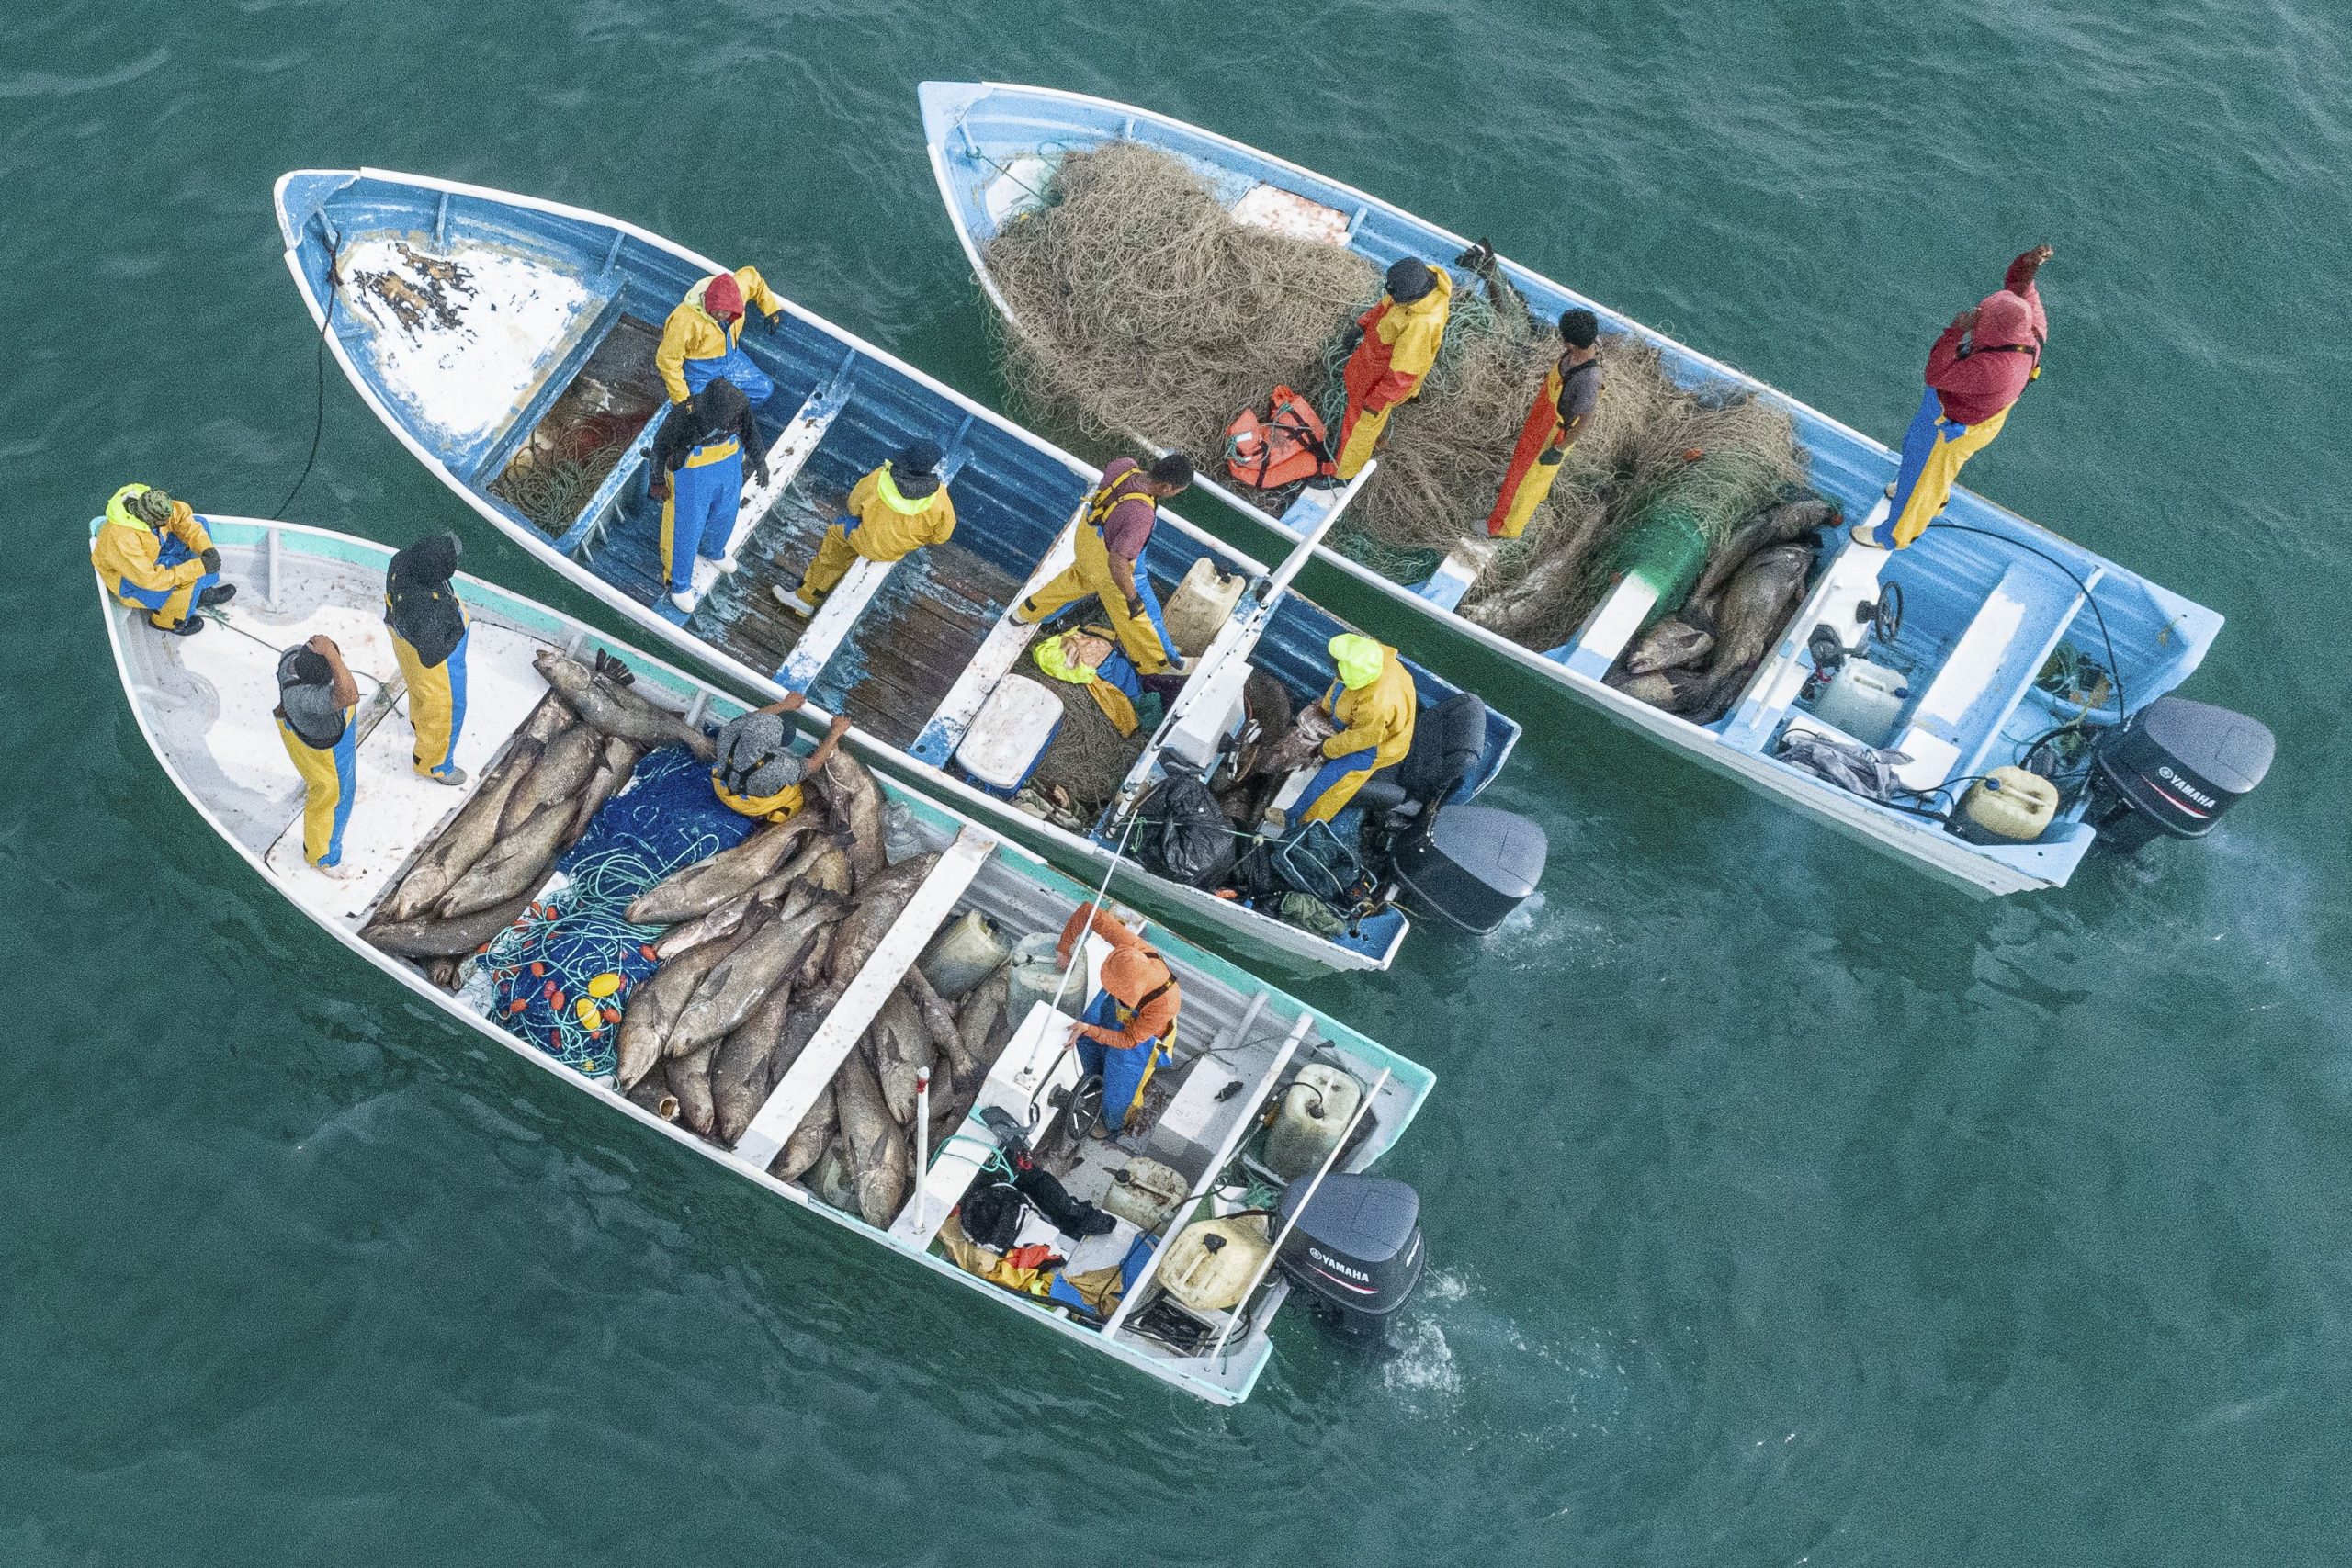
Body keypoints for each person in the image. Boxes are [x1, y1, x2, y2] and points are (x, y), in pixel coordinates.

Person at [1859, 245, 2053, 549]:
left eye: (1982, 318)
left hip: (1952, 426)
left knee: (1922, 476)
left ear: (1993, 328)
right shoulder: (2032, 325)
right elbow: (2020, 286)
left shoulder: (1995, 370)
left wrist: (1955, 331)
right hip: (1974, 412)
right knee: (1919, 464)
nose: (1977, 316)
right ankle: (1932, 498)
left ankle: (1894, 535)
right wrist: (2029, 264)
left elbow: (1936, 375)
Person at [1012, 453, 1191, 675]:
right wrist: (1133, 599)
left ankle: (1024, 613)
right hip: (1107, 567)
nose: (1174, 495)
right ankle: (1162, 664)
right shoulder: (1142, 515)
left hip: (1087, 543)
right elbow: (1117, 562)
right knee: (1143, 617)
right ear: (1165, 487)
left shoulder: (1124, 465)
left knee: (1074, 581)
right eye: (1176, 491)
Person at [774, 439, 957, 616]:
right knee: (862, 537)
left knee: (838, 534)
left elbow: (853, 504)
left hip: (869, 543)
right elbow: (941, 536)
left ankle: (806, 598)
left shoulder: (881, 476)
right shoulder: (940, 497)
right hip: (899, 549)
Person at [1055, 900, 1182, 1139]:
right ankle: (1089, 1081)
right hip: (1114, 1014)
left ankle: (1113, 1125)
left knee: (1119, 1095)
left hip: (1140, 1044)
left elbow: (1129, 1040)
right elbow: (1088, 911)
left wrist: (1088, 1029)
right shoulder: (1133, 949)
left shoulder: (1166, 1003)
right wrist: (1063, 948)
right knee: (1086, 1047)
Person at [646, 378, 771, 614]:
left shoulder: (739, 407)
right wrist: (657, 480)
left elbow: (751, 433)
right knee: (686, 527)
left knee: (726, 512)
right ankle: (678, 583)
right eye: (730, 417)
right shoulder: (684, 416)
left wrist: (761, 463)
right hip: (693, 471)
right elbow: (660, 446)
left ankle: (714, 550)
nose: (736, 419)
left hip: (728, 463)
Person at [1334, 255, 1454, 480]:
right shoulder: (1415, 283)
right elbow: (1384, 306)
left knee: (1359, 426)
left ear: (1411, 297)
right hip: (1368, 364)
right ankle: (1374, 433)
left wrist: (1376, 402)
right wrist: (1361, 325)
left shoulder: (1421, 324)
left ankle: (1344, 474)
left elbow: (1403, 375)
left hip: (1378, 380)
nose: (1391, 298)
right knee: (1365, 419)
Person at [1487, 309, 1604, 539]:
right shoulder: (1585, 344)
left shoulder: (1588, 379)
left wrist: (1558, 450)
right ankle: (1534, 491)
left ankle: (1503, 528)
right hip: (1540, 421)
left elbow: (1586, 419)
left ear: (1570, 343)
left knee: (1526, 480)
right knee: (1532, 475)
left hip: (1552, 435)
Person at [1291, 633, 1417, 826]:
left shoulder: (1378, 704)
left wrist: (1326, 749)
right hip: (1366, 725)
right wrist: (1324, 708)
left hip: (1380, 745)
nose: (1334, 669)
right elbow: (1341, 685)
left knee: (1330, 782)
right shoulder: (1370, 657)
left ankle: (1299, 820)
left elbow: (1363, 738)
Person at [384, 531, 469, 786]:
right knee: (446, 710)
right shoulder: (424, 609)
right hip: (437, 664)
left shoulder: (402, 560)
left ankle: (417, 723)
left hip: (403, 643)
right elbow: (433, 655)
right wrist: (457, 631)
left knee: (417, 690)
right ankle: (435, 765)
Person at [96, 483, 232, 637]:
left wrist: (206, 549)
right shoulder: (121, 539)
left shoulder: (149, 502)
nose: (167, 522)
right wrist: (199, 567)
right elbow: (150, 579)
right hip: (131, 580)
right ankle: (167, 622)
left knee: (200, 524)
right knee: (185, 580)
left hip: (152, 550)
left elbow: (180, 519)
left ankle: (200, 592)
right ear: (150, 520)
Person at [276, 636, 361, 875]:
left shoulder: (292, 657)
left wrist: (326, 652)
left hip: (303, 728)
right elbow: (349, 696)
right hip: (324, 753)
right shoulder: (307, 698)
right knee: (333, 795)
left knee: (332, 790)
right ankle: (322, 855)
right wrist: (334, 658)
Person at [707, 688, 852, 823]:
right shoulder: (777, 768)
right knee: (796, 796)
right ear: (774, 743)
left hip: (724, 790)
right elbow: (814, 764)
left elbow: (753, 717)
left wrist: (785, 705)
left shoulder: (728, 734)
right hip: (754, 806)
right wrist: (835, 732)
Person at [654, 266, 786, 409]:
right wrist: (682, 399)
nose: (722, 316)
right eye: (717, 311)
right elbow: (668, 360)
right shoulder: (684, 320)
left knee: (763, 390)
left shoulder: (738, 291)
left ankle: (734, 417)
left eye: (727, 313)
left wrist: (771, 309)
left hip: (732, 361)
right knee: (702, 414)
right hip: (699, 374)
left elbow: (753, 278)